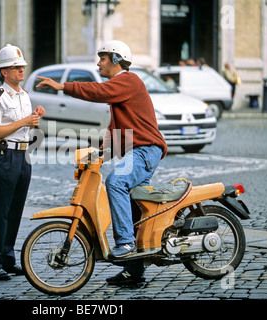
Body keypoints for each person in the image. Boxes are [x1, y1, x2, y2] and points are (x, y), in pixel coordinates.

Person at [36, 40, 168, 285]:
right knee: (135, 208)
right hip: (138, 151)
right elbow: (114, 129)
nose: (99, 63)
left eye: (102, 58)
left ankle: (126, 244)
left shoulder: (128, 80)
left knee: (116, 182)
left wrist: (62, 86)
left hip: (145, 150)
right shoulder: (121, 88)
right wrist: (99, 152)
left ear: (116, 59)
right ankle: (134, 271)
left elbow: (96, 92)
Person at [0, 44, 46, 280]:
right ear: (4, 72)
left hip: (22, 155)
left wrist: (35, 116)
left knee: (15, 211)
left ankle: (7, 258)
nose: (21, 70)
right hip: (3, 155)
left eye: (22, 66)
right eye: (15, 67)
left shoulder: (25, 96)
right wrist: (23, 122)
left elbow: (26, 126)